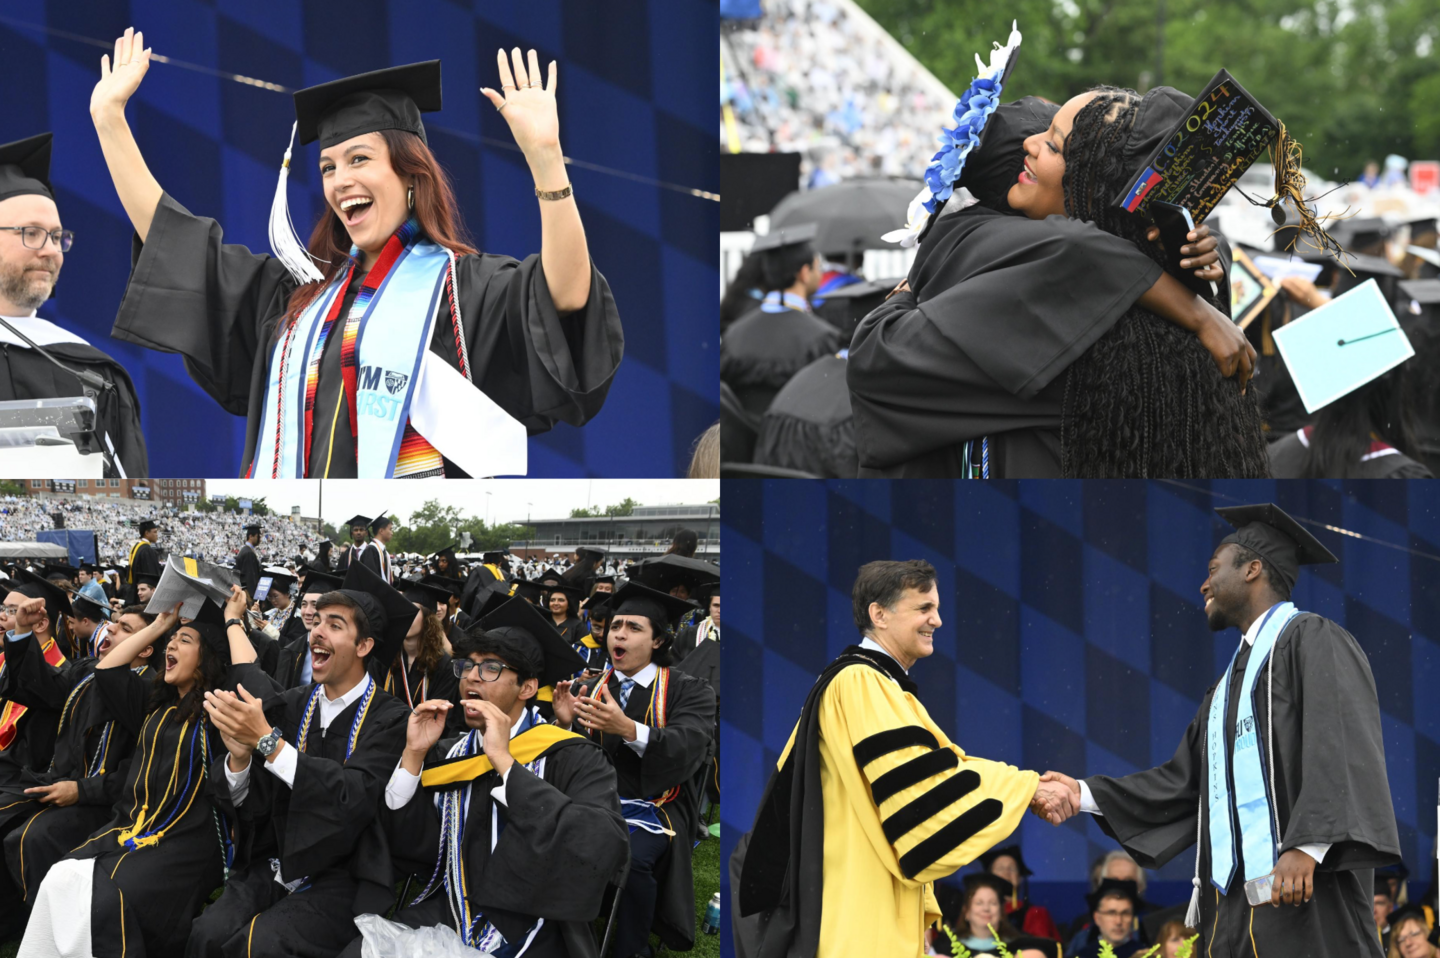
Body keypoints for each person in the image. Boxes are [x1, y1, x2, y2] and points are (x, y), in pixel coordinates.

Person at [92, 32, 622, 477]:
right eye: (327, 167)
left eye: (359, 158)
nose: (340, 180)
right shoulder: (296, 300)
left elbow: (567, 296)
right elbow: (181, 250)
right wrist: (110, 122)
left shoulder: (465, 293)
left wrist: (546, 159)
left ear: (411, 175)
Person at [1042, 502, 1401, 957]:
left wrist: (1307, 846)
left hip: (1303, 891)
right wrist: (1082, 794)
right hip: (1231, 909)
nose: (1204, 583)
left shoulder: (1313, 639)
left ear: (1253, 569)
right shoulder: (1226, 687)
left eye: (1214, 569)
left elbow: (1343, 742)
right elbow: (1183, 783)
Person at [847, 89, 1263, 477]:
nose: (1030, 144)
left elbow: (877, 359)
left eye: (1052, 143)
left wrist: (900, 300)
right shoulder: (1183, 307)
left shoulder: (1031, 297)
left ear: (1090, 186)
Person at [732, 560, 1078, 958]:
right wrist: (1027, 785)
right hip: (857, 899)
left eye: (937, 608)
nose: (938, 620)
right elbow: (925, 790)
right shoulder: (860, 682)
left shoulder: (871, 685)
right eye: (924, 608)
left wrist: (1025, 785)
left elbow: (936, 767)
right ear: (878, 614)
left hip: (862, 888)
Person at [344, 593, 630, 958]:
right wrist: (413, 756)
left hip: (533, 920)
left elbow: (601, 845)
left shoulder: (573, 756)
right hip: (449, 906)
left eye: (492, 667)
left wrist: (504, 762)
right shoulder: (450, 751)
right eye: (467, 666)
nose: (472, 678)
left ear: (527, 687)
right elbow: (409, 846)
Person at [191, 560, 420, 958]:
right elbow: (258, 797)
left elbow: (353, 794)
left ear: (364, 646)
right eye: (317, 621)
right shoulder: (292, 704)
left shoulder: (392, 718)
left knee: (259, 945)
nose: (316, 630)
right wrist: (241, 760)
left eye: (335, 624)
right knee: (208, 932)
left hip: (345, 873)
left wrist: (266, 742)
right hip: (280, 858)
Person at [19, 590, 243, 958]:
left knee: (108, 898)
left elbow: (253, 678)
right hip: (133, 827)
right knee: (61, 878)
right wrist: (160, 624)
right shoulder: (154, 703)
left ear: (207, 657)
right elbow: (107, 669)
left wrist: (231, 622)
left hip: (187, 839)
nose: (170, 644)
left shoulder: (221, 712)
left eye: (183, 640)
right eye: (169, 641)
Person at [553, 582, 717, 957]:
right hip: (590, 798)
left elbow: (688, 745)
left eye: (633, 628)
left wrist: (627, 728)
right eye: (615, 626)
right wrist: (564, 725)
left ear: (658, 641)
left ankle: (629, 948)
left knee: (632, 857)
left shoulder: (689, 690)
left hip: (657, 802)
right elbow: (570, 757)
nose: (619, 635)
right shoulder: (591, 686)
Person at [0, 133, 148, 478]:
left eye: (57, 237)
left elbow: (128, 490)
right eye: (31, 233)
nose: (51, 250)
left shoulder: (92, 374)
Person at [0, 603, 159, 910]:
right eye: (115, 622)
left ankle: (47, 920)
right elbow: (40, 685)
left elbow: (142, 771)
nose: (111, 628)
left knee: (33, 837)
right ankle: (10, 913)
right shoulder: (87, 672)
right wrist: (21, 632)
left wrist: (80, 790)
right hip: (58, 783)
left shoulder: (149, 695)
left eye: (126, 628)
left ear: (146, 648)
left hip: (108, 803)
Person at [720, 223, 840, 416]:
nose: (820, 273)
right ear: (804, 273)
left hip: (741, 443)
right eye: (818, 267)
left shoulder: (733, 335)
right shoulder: (822, 337)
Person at [381, 577, 460, 713]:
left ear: (427, 619)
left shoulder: (444, 666)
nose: (405, 616)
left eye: (413, 610)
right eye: (401, 609)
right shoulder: (384, 658)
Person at [271, 565, 343, 689]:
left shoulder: (342, 650)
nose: (307, 612)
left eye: (315, 604)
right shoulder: (290, 651)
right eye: (304, 604)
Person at [980, 845, 1061, 941]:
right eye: (1000, 868)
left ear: (1019, 879)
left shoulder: (1034, 914)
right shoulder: (978, 912)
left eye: (1012, 868)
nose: (1006, 873)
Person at [1068, 880, 1144, 958]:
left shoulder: (1145, 955)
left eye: (1125, 913)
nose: (1118, 921)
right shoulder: (1081, 955)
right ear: (1097, 918)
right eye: (1111, 913)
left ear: (1132, 917)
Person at [124, 518, 160, 602]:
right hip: (145, 597)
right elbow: (152, 575)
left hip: (135, 592)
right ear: (147, 533)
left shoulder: (136, 547)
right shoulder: (147, 550)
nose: (157, 534)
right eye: (154, 532)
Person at [358, 512, 396, 583]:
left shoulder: (384, 552)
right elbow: (371, 579)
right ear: (381, 531)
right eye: (390, 529)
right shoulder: (371, 550)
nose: (392, 533)